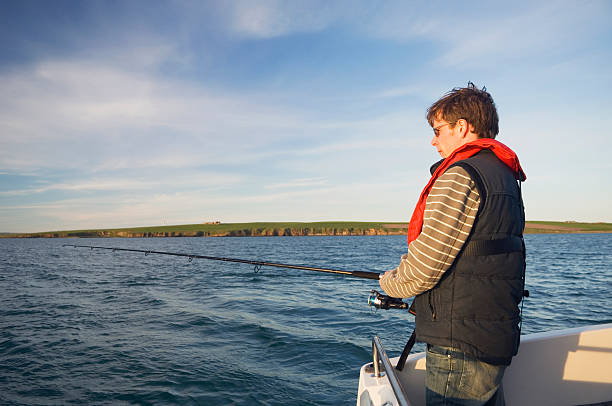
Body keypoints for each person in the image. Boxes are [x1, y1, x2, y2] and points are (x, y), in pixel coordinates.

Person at [379, 83, 527, 406]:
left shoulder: (461, 174)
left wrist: (388, 282)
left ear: (462, 127)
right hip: (491, 336)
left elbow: (422, 268)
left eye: (438, 130)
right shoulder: (505, 175)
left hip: (458, 344)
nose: (433, 140)